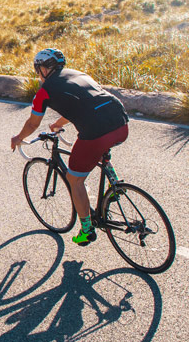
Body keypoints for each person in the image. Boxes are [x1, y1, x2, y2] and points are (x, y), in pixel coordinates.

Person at [10, 48, 129, 246]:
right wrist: (59, 124)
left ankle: (86, 230)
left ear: (42, 69)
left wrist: (18, 137)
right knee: (94, 151)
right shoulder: (79, 74)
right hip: (121, 122)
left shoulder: (44, 92)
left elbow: (32, 124)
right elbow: (85, 103)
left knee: (75, 179)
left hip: (96, 132)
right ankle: (115, 184)